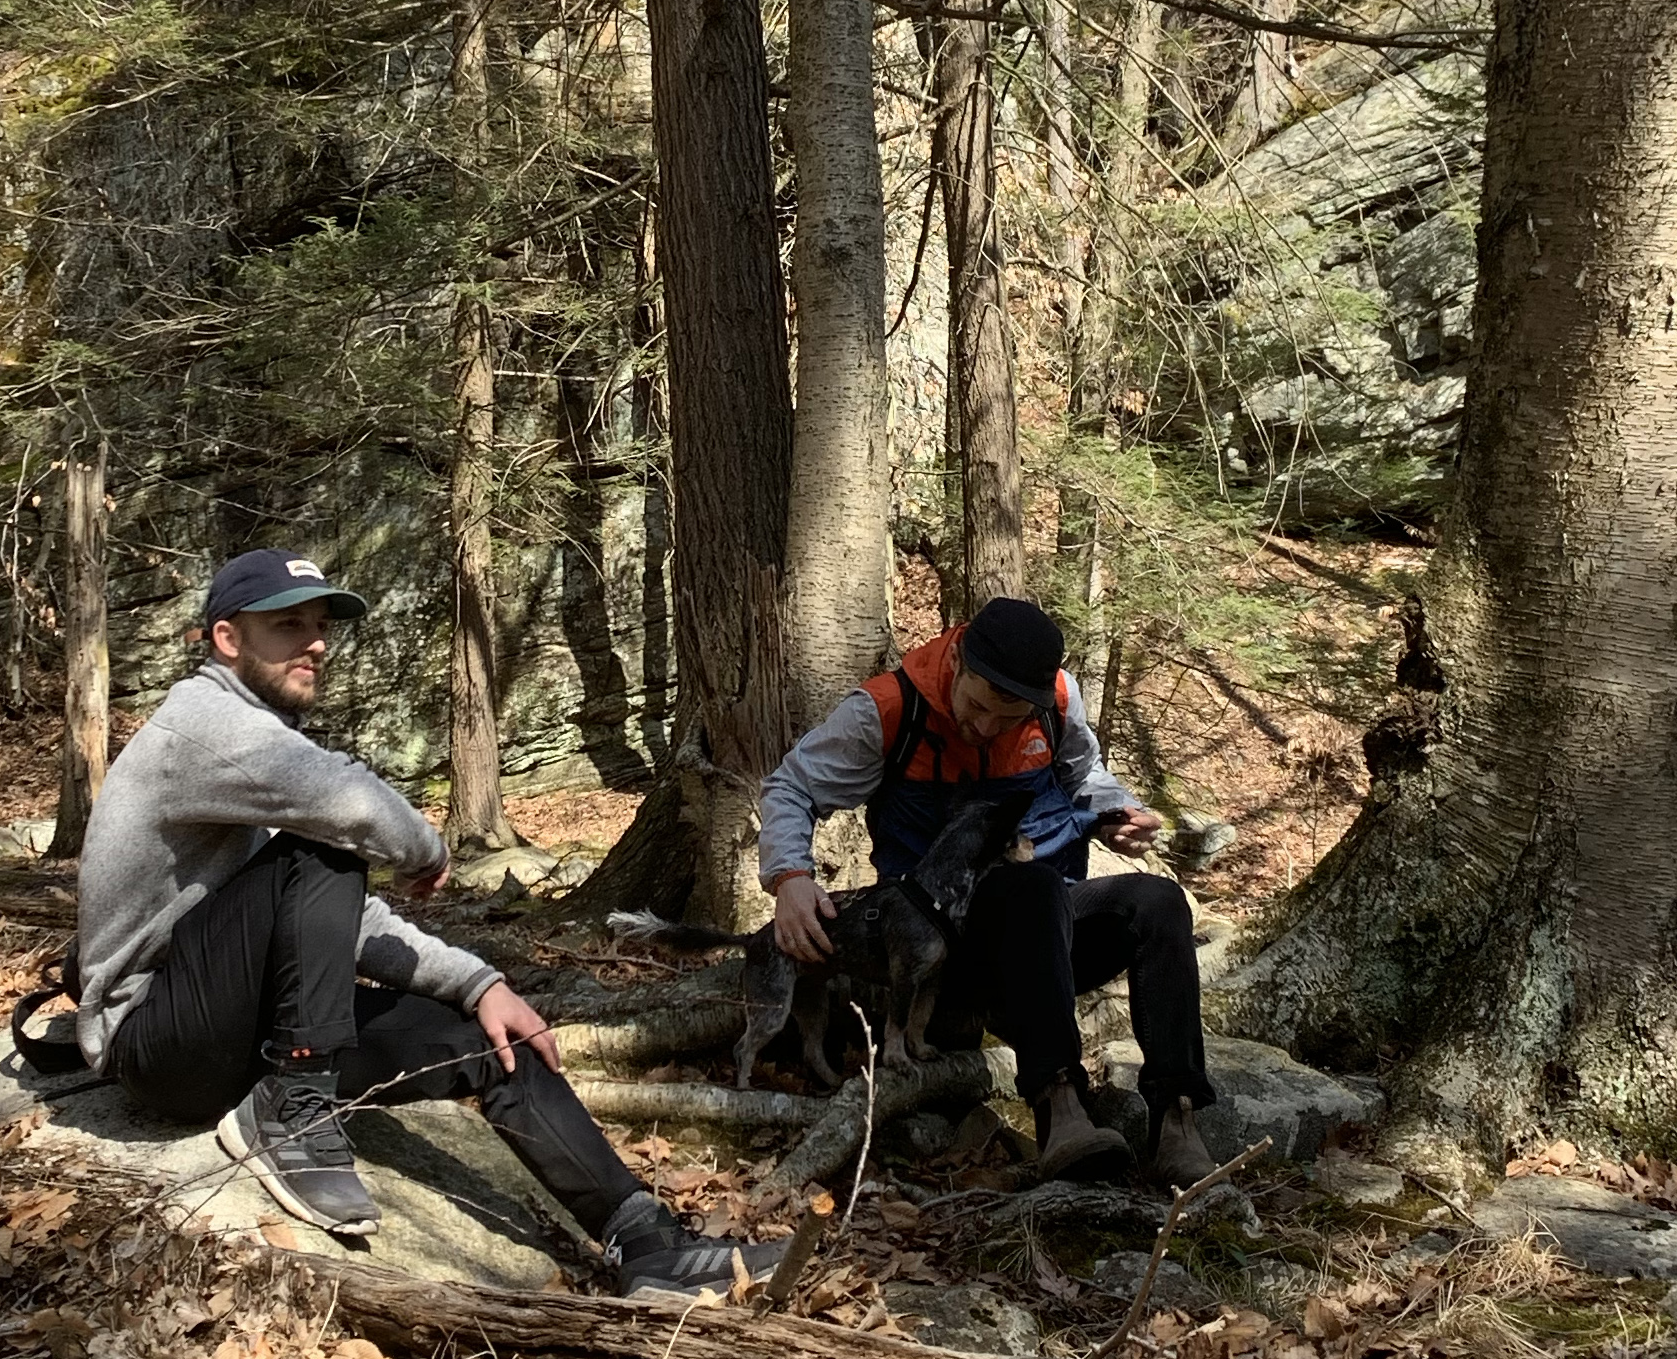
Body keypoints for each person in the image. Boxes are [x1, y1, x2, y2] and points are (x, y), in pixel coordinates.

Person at [74, 547, 784, 1298]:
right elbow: (351, 807)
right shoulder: (201, 725)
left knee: (496, 1042)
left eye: (320, 626)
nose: (315, 643)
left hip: (236, 1032)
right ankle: (294, 1107)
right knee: (332, 844)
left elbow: (336, 919)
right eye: (288, 626)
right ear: (227, 637)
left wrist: (479, 985)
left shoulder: (253, 751)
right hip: (157, 1041)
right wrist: (425, 847)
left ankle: (645, 1243)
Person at [759, 597, 1218, 1188]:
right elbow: (791, 787)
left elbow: (1084, 776)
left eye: (1006, 720)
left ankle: (1177, 1121)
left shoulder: (1057, 701)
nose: (983, 728)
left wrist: (1115, 814)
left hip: (1047, 942)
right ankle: (1060, 1108)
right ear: (957, 663)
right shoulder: (888, 710)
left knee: (1160, 902)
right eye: (975, 707)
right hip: (941, 949)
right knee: (1031, 886)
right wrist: (790, 877)